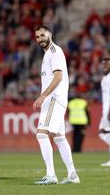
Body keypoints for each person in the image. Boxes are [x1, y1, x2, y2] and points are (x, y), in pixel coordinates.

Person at [33, 25, 80, 185]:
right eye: (37, 37)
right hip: (55, 99)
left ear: (50, 34)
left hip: (54, 98)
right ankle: (73, 175)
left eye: (42, 35)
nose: (40, 39)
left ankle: (51, 175)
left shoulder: (54, 52)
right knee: (59, 137)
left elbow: (58, 77)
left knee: (41, 134)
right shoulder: (48, 54)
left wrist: (43, 96)